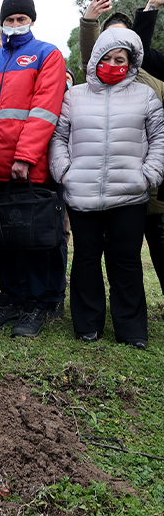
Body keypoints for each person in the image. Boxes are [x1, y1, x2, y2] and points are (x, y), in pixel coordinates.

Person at [49, 28, 164, 349]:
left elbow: (160, 139)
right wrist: (64, 171)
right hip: (81, 193)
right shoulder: (75, 96)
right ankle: (87, 324)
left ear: (131, 63)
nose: (113, 64)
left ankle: (132, 329)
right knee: (86, 258)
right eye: (108, 58)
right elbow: (58, 137)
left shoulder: (146, 97)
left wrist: (149, 174)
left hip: (130, 194)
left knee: (125, 260)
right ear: (96, 59)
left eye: (121, 59)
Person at [0, 0, 66, 338]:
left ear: (32, 21)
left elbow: (45, 110)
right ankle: (10, 300)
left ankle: (37, 306)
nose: (14, 24)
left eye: (20, 18)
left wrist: (24, 157)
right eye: (9, 19)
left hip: (30, 169)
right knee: (4, 238)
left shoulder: (47, 55)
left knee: (33, 240)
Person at [82, 0, 164, 294]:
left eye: (123, 43)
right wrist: (90, 19)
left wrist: (152, 174)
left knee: (152, 243)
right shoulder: (94, 83)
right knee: (105, 252)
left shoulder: (154, 80)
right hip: (105, 185)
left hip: (147, 184)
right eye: (108, 42)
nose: (115, 49)